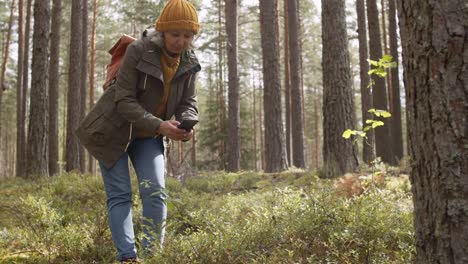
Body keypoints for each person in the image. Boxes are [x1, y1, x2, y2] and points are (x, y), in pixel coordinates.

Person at [76, 0, 201, 262]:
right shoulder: (139, 50)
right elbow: (123, 100)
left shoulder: (190, 61)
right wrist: (160, 125)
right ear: (163, 31)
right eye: (175, 34)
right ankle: (127, 257)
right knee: (120, 195)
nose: (181, 41)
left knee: (155, 192)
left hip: (149, 137)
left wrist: (186, 123)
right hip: (112, 132)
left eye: (187, 35)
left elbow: (189, 101)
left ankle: (152, 256)